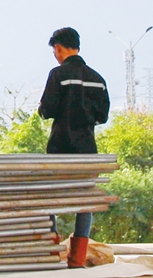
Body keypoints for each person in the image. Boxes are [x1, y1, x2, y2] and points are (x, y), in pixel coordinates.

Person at [38, 27, 109, 268]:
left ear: (58, 49)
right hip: (87, 150)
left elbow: (47, 110)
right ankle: (77, 259)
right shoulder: (98, 79)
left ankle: (51, 253)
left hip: (60, 149)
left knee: (50, 199)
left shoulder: (57, 74)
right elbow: (103, 115)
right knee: (85, 202)